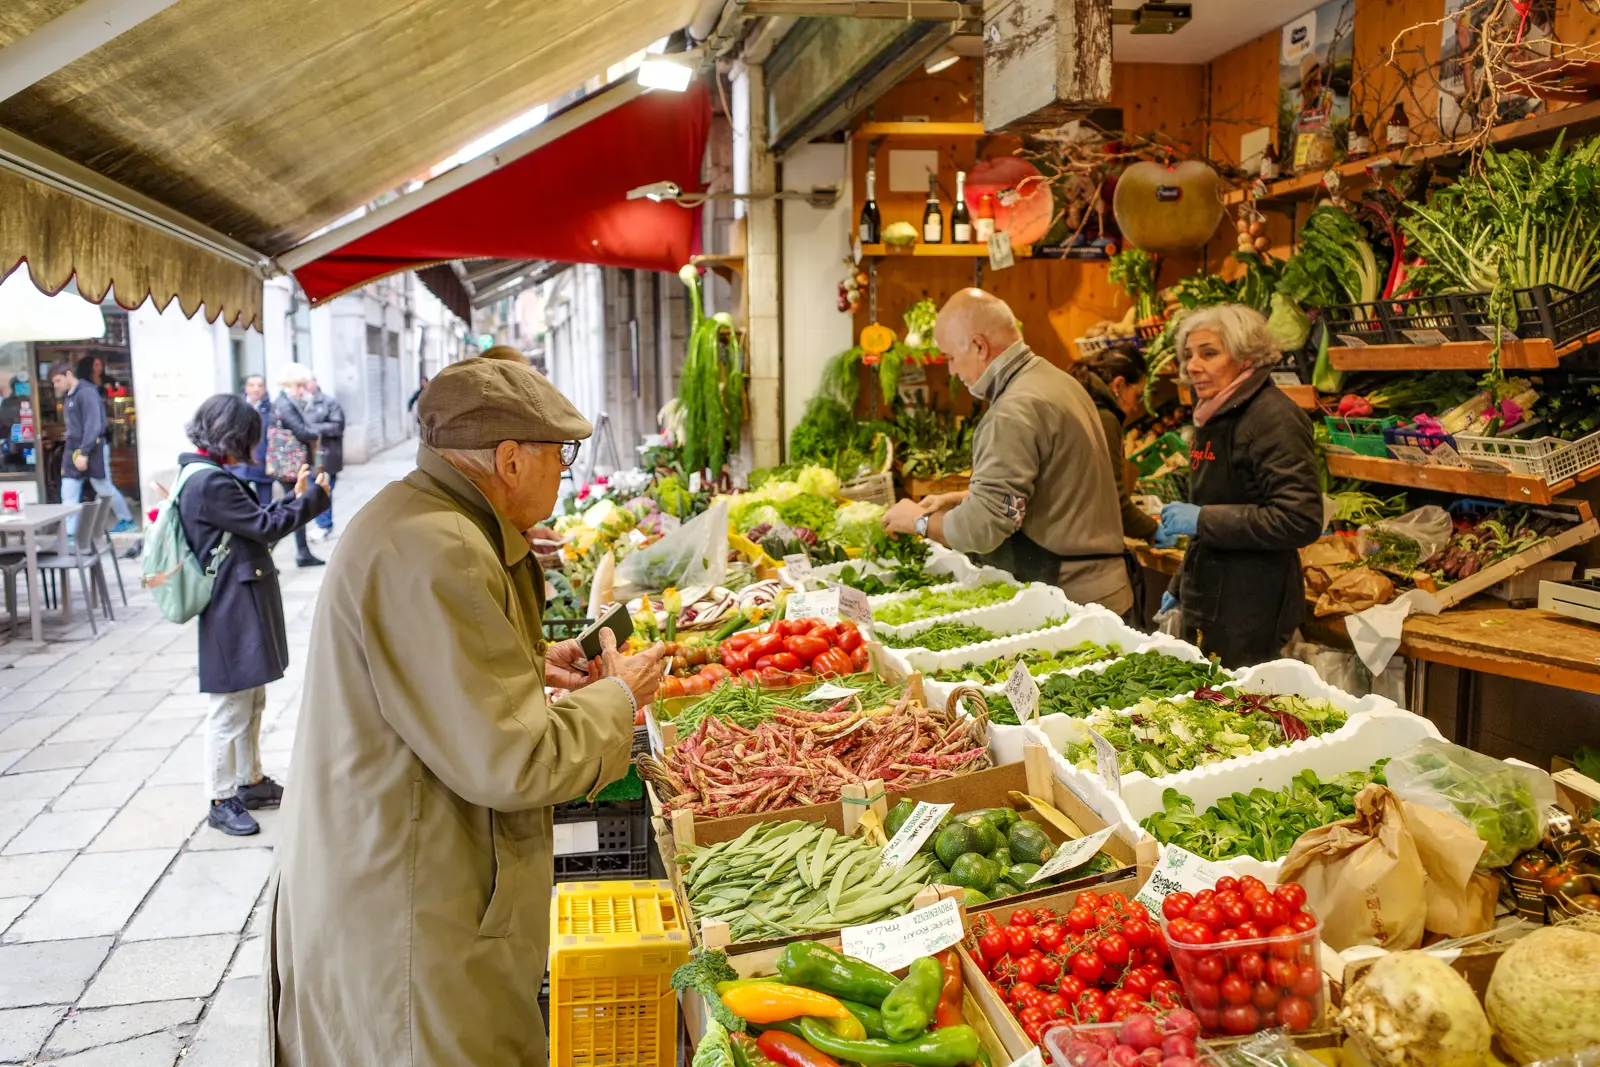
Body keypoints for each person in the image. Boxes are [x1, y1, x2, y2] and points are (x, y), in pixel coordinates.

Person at [263, 357, 668, 1067]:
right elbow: (514, 758)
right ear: (511, 460)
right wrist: (619, 694)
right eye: (559, 452)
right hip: (412, 907)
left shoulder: (416, 515)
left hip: (391, 869)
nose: (565, 469)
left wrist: (522, 659)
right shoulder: (440, 546)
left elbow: (427, 676)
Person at [882, 289, 1132, 615]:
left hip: (1071, 601)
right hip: (1107, 591)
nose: (952, 372)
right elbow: (1054, 483)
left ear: (979, 346)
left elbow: (983, 528)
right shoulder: (1058, 382)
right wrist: (962, 497)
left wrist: (918, 522)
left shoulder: (1012, 410)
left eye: (951, 359)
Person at [175, 395, 328, 835]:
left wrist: (295, 500)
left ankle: (251, 781)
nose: (254, 448)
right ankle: (221, 797)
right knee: (230, 706)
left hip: (238, 598)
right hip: (231, 605)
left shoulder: (203, 475)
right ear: (233, 436)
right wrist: (314, 500)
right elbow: (263, 527)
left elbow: (253, 522)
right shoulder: (210, 482)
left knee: (251, 698)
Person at [1151, 305, 1322, 668]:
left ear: (1246, 356)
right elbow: (1216, 508)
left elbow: (1300, 518)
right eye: (1189, 355)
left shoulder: (1273, 418)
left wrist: (1202, 519)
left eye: (1209, 353)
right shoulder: (1214, 413)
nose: (1192, 366)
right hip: (1212, 599)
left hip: (1252, 611)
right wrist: (1181, 583)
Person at [1068, 347, 1159, 543]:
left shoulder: (1078, 401)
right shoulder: (1103, 418)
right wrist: (1154, 531)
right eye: (1138, 394)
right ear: (1118, 385)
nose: (1136, 406)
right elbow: (1112, 502)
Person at [50, 361, 116, 542]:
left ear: (68, 374)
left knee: (103, 487)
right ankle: (70, 534)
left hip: (91, 447)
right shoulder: (69, 396)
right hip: (72, 448)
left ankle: (125, 518)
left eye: (57, 380)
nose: (56, 385)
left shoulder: (86, 393)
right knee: (68, 490)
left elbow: (93, 425)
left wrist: (84, 452)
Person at [73, 355, 137, 532]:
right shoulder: (85, 387)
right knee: (98, 483)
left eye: (100, 363)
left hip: (99, 441)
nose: (100, 367)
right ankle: (74, 528)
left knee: (101, 483)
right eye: (96, 364)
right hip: (94, 441)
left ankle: (126, 518)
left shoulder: (99, 384)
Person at [271, 366, 324, 567]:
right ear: (288, 385)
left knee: (295, 504)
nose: (302, 390)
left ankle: (301, 551)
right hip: (288, 465)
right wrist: (317, 432)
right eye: (299, 385)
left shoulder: (288, 402)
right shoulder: (284, 404)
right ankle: (269, 546)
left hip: (290, 464)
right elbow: (301, 431)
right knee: (293, 505)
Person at [301, 376, 344, 541]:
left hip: (326, 455)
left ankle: (324, 525)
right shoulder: (300, 403)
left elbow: (337, 426)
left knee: (323, 490)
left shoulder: (329, 402)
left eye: (307, 382)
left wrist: (310, 429)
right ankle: (320, 524)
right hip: (308, 456)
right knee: (313, 491)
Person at [232, 375, 276, 507]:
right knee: (240, 506)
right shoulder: (235, 408)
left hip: (263, 465)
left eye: (260, 385)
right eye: (252, 385)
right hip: (238, 464)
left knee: (265, 507)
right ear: (245, 388)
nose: (256, 389)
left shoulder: (272, 410)